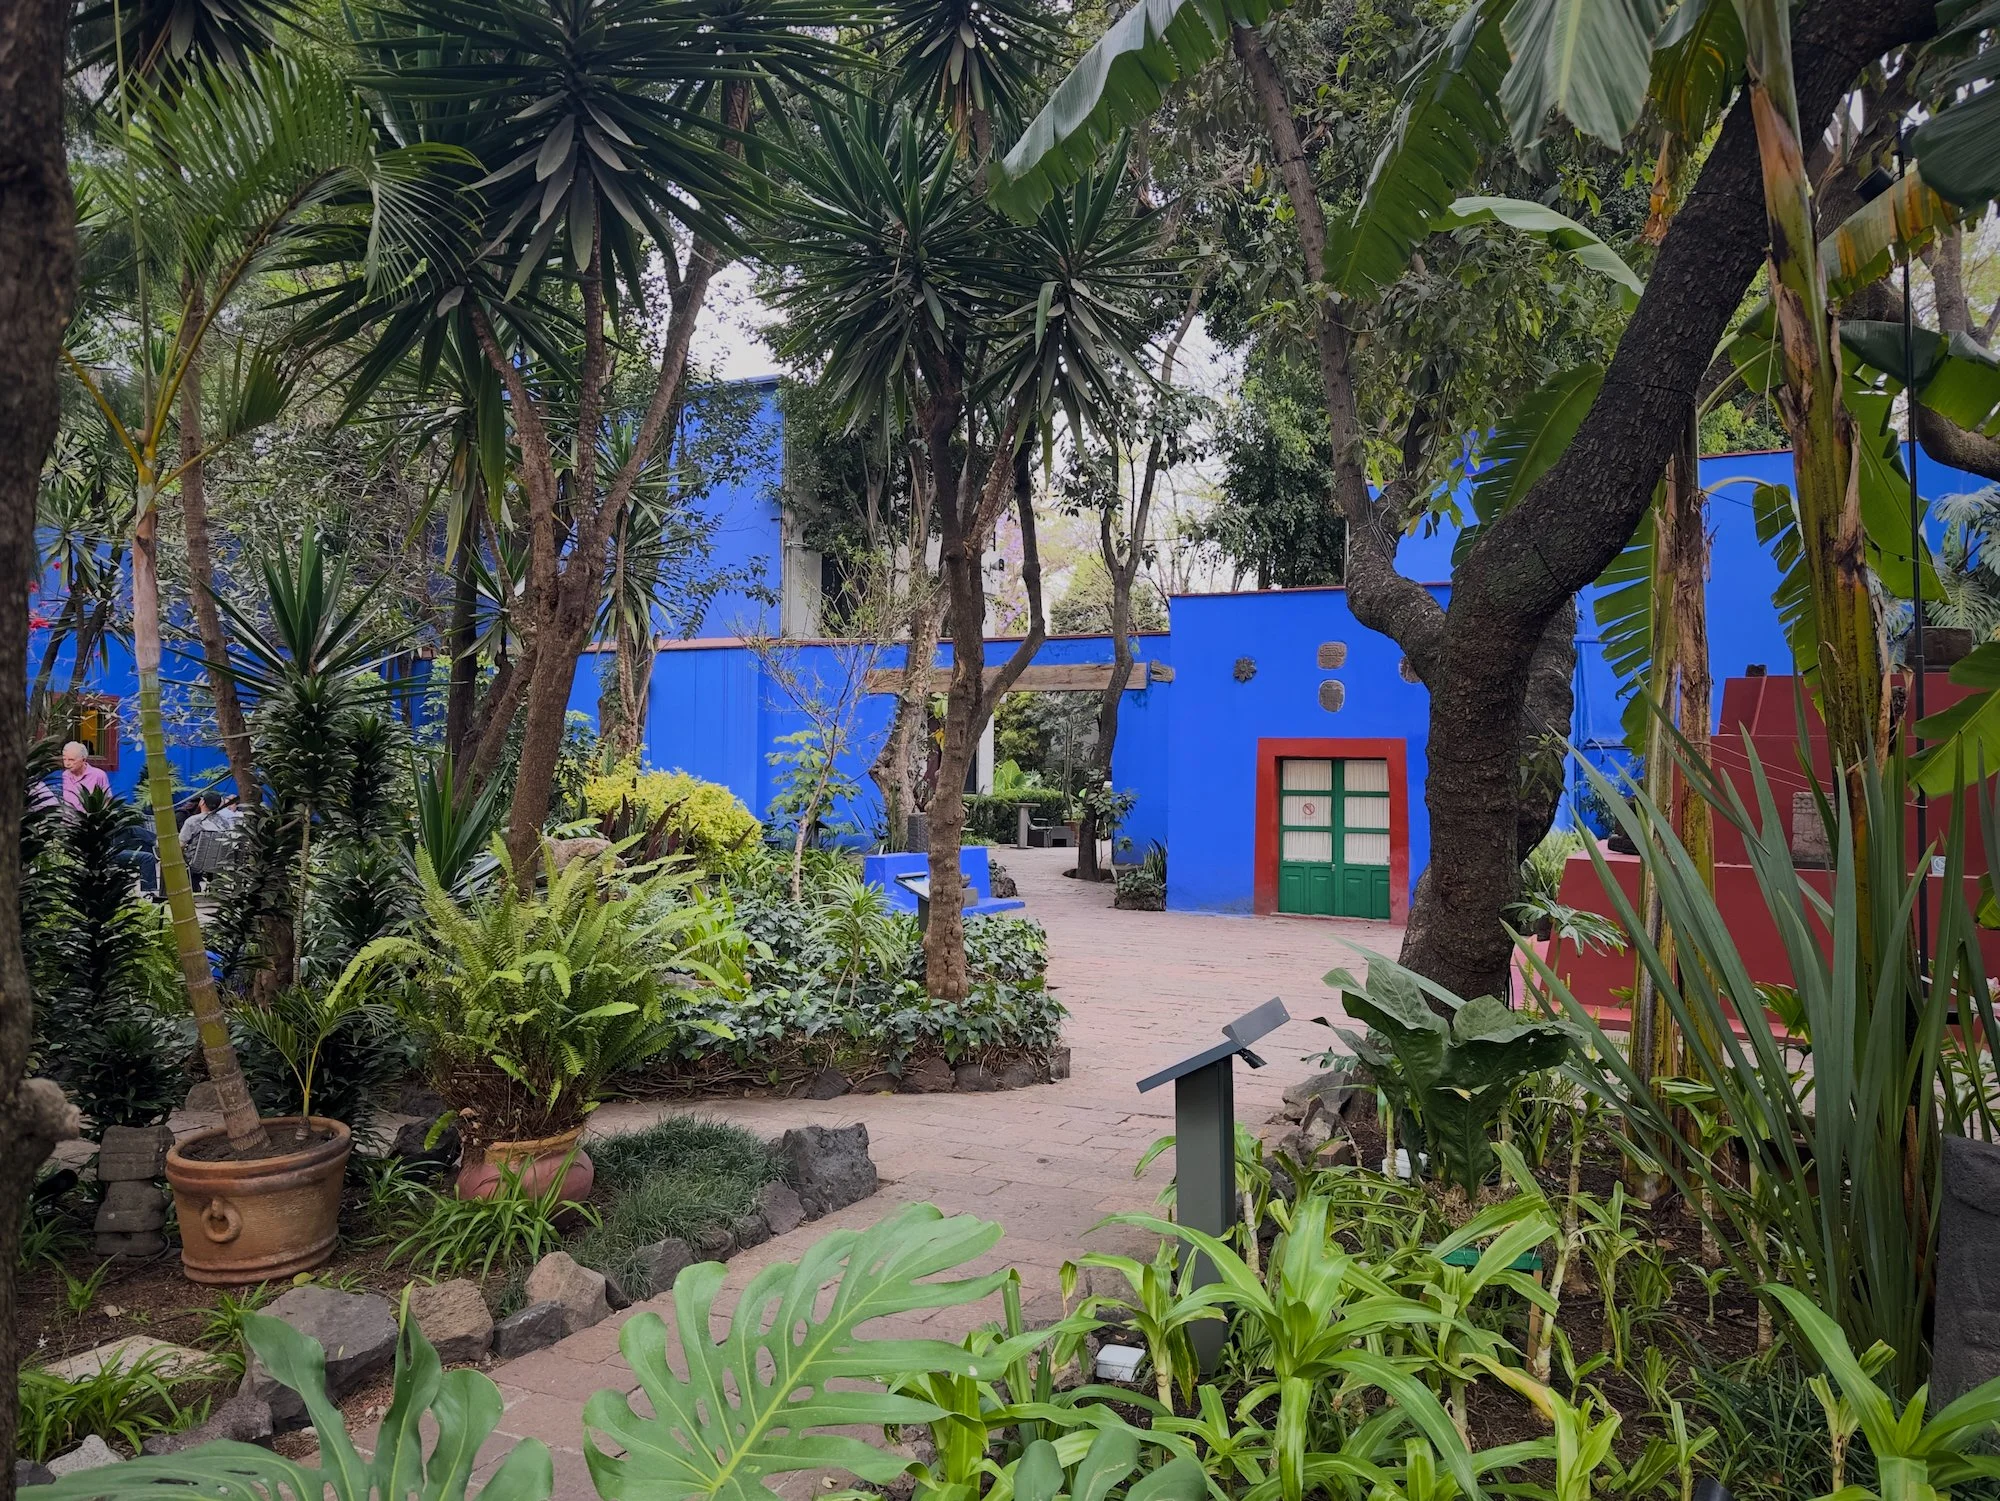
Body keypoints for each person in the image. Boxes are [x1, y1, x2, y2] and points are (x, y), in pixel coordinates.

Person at [180, 791, 227, 890]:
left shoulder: (193, 821)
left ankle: (192, 887)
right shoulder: (225, 822)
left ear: (202, 803)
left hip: (195, 862)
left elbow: (181, 844)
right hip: (218, 861)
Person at [61, 740, 111, 811]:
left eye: (71, 760)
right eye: (64, 759)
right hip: (68, 820)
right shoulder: (65, 775)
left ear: (83, 759)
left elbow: (107, 801)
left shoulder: (99, 775)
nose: (67, 763)